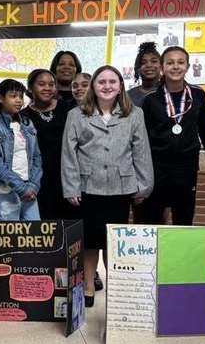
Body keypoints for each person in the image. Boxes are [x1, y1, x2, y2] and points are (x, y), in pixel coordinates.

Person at [62, 66, 153, 306]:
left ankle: (118, 289)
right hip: (88, 187)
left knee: (114, 243)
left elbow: (141, 151)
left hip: (120, 188)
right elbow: (68, 154)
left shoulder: (134, 114)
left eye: (112, 81)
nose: (107, 86)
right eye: (101, 81)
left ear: (120, 86)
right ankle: (89, 286)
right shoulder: (77, 114)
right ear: (93, 86)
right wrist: (71, 187)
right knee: (90, 241)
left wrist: (144, 186)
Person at [137, 46, 205, 225]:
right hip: (157, 170)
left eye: (180, 62)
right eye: (170, 63)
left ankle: (180, 254)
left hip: (186, 169)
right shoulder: (150, 100)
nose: (176, 66)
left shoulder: (198, 95)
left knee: (184, 221)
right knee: (153, 220)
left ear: (187, 66)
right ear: (162, 68)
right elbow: (143, 140)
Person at [0, 79, 42, 221]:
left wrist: (33, 185)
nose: (18, 100)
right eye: (13, 96)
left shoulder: (27, 124)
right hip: (4, 189)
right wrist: (21, 188)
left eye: (21, 96)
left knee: (34, 234)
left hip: (29, 187)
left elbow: (36, 157)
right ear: (1, 98)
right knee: (7, 236)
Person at [23, 69, 71, 220]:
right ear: (30, 88)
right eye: (41, 84)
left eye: (51, 84)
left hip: (65, 176)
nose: (47, 88)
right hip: (37, 179)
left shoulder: (68, 109)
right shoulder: (23, 116)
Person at [127, 41, 162, 107]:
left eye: (154, 61)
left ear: (161, 66)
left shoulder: (170, 91)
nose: (149, 65)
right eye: (143, 62)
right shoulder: (128, 96)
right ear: (138, 68)